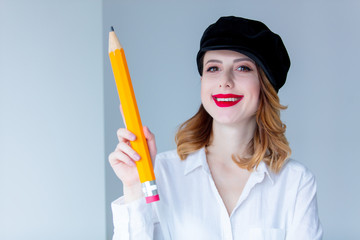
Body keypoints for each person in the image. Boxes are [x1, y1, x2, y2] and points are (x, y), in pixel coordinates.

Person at [108, 16, 323, 240]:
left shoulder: (296, 182)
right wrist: (133, 188)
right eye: (213, 68)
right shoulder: (161, 173)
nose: (225, 81)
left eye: (242, 67)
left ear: (265, 85)